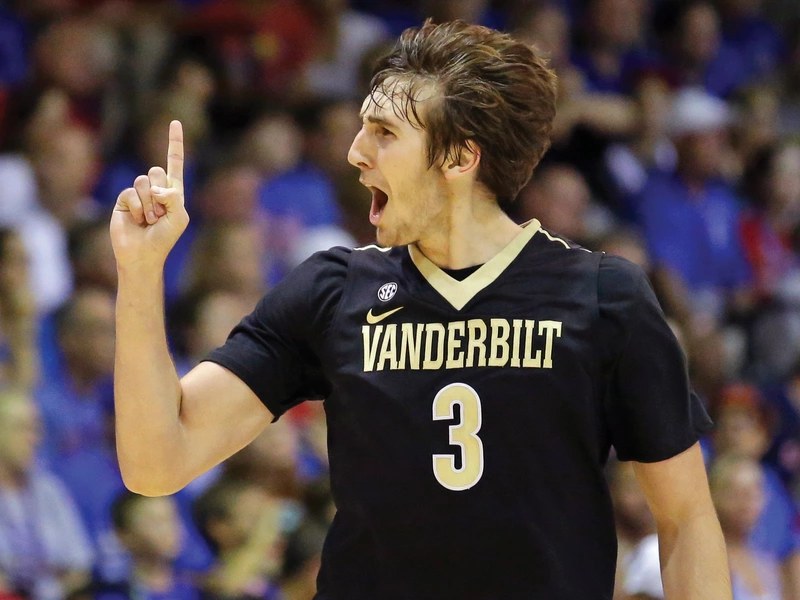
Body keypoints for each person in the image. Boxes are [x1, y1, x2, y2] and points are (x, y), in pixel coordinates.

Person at [110, 20, 731, 599]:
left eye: (383, 133)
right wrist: (140, 275)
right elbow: (157, 464)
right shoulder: (331, 291)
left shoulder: (603, 297)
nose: (355, 152)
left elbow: (685, 518)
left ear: (459, 157)